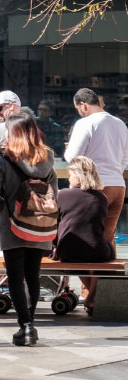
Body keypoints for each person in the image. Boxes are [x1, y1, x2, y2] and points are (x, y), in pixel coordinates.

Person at [0, 114, 57, 346]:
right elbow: (53, 193)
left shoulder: (3, 159)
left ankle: (25, 326)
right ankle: (31, 324)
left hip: (12, 225)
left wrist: (1, 209)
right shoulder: (47, 158)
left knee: (16, 277)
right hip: (40, 225)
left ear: (12, 133)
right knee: (32, 275)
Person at [64, 88, 128, 255]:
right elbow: (124, 160)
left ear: (84, 105)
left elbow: (72, 156)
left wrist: (67, 149)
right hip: (118, 186)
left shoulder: (85, 123)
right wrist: (113, 173)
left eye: (78, 109)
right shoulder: (120, 123)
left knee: (86, 237)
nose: (79, 113)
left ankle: (87, 283)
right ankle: (105, 280)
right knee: (108, 236)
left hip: (95, 186)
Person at [55, 156, 115, 315]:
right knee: (102, 253)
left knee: (79, 253)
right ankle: (91, 298)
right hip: (96, 251)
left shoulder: (62, 195)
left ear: (79, 175)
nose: (68, 179)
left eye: (70, 176)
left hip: (67, 251)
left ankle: (90, 296)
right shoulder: (102, 198)